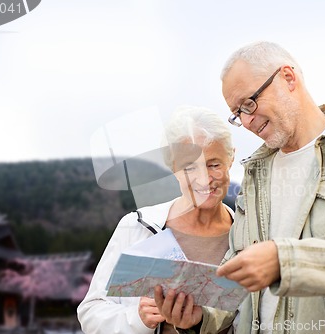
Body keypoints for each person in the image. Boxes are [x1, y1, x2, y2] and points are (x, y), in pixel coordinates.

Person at [155, 41, 325, 333]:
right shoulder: (254, 174)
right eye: (237, 113)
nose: (246, 121)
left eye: (249, 104)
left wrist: (286, 261)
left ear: (288, 78)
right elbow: (237, 273)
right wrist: (199, 317)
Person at [77, 105, 235, 333]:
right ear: (173, 169)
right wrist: (138, 319)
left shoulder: (247, 235)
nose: (204, 179)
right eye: (189, 167)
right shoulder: (136, 227)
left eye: (214, 165)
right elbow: (91, 312)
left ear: (231, 159)